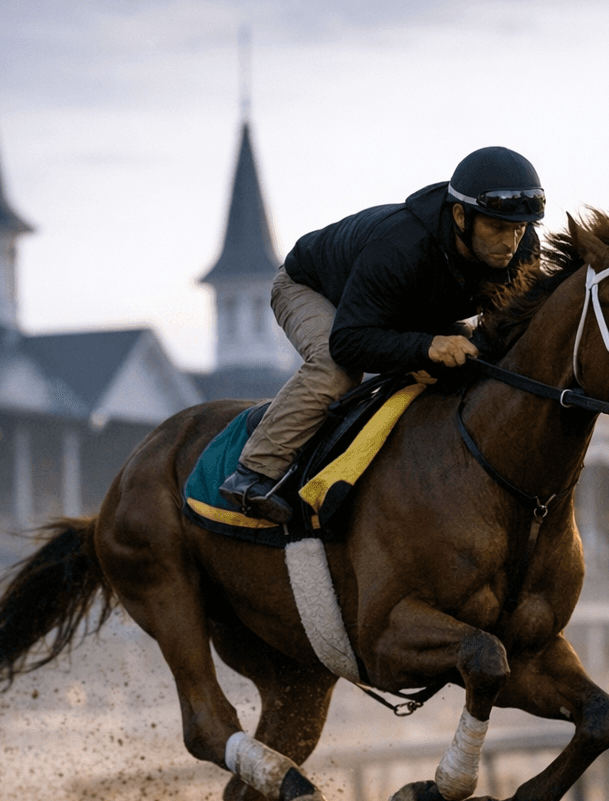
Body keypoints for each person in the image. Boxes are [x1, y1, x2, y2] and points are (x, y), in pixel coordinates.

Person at [218, 146, 546, 523]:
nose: (511, 242)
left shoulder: (522, 251)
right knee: (334, 371)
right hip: (311, 288)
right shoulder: (401, 245)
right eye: (498, 228)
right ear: (460, 215)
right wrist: (428, 345)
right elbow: (348, 342)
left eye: (520, 229)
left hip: (404, 306)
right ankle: (253, 473)